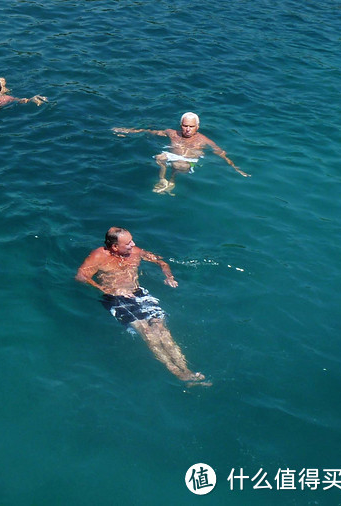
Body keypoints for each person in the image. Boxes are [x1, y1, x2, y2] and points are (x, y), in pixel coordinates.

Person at [76, 227, 208, 385]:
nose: (133, 244)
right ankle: (177, 373)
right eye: (128, 243)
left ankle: (186, 369)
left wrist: (169, 277)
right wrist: (109, 289)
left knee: (161, 328)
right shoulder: (98, 256)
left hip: (138, 293)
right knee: (146, 331)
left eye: (132, 240)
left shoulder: (136, 252)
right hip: (116, 298)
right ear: (115, 247)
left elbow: (161, 261)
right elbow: (81, 276)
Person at [113, 112, 249, 194]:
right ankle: (162, 179)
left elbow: (221, 153)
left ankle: (172, 181)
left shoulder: (204, 140)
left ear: (197, 127)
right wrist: (128, 131)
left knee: (178, 165)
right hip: (173, 156)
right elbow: (150, 131)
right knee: (160, 157)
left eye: (191, 126)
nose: (188, 129)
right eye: (185, 126)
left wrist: (236, 168)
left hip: (189, 162)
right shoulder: (172, 134)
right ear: (181, 125)